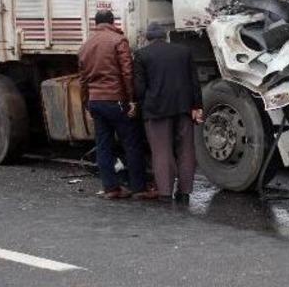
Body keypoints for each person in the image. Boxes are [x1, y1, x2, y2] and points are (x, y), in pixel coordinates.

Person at [79, 10, 157, 200]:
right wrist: (131, 100)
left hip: (95, 101)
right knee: (131, 143)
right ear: (112, 22)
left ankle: (111, 188)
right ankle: (139, 188)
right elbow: (127, 72)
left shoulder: (86, 45)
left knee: (103, 145)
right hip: (116, 100)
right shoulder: (117, 40)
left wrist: (86, 104)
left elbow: (82, 80)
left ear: (96, 23)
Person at [134, 22, 204, 203]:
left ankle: (165, 193)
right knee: (186, 149)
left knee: (161, 151)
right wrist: (197, 106)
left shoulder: (142, 55)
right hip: (183, 107)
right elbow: (194, 82)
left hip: (156, 110)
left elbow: (139, 88)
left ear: (147, 38)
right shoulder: (183, 51)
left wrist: (142, 107)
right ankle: (185, 192)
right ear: (165, 36)